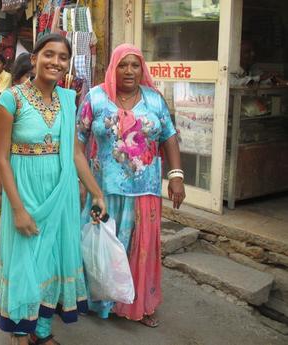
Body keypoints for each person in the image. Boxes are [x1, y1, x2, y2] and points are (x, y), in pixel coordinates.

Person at [0, 33, 106, 345]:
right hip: (25, 193)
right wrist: (16, 209)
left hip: (61, 193)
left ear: (68, 64)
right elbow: (1, 159)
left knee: (53, 261)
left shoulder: (69, 101)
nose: (55, 62)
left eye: (62, 57)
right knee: (25, 263)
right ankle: (20, 331)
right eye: (49, 54)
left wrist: (96, 192)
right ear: (35, 58)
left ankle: (41, 332)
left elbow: (76, 154)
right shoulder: (11, 99)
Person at [77, 44, 185, 327]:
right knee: (103, 247)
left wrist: (175, 176)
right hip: (104, 191)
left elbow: (169, 137)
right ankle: (100, 301)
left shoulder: (154, 99)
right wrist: (81, 181)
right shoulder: (96, 98)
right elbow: (78, 139)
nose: (129, 70)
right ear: (113, 67)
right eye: (123, 64)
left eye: (135, 65)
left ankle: (138, 304)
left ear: (142, 69)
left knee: (141, 249)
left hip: (144, 191)